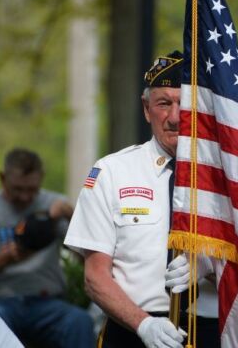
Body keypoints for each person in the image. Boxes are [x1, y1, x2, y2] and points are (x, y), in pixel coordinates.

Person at [64, 51, 220, 348]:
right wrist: (143, 324)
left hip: (211, 332)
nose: (175, 117)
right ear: (147, 109)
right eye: (164, 103)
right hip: (133, 331)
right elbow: (95, 276)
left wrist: (208, 266)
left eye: (184, 104)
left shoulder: (228, 179)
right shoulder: (111, 172)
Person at [0, 148, 95, 347]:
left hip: (47, 302)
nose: (25, 197)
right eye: (18, 189)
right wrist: (7, 258)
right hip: (3, 302)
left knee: (79, 321)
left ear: (41, 178)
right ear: (2, 178)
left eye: (32, 189)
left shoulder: (53, 205)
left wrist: (72, 217)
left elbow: (87, 259)